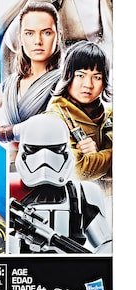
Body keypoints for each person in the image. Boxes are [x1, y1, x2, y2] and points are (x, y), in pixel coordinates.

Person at [10, 114, 111, 254]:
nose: (44, 157)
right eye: (33, 149)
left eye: (55, 149)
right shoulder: (10, 189)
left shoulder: (83, 193)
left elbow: (107, 244)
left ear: (65, 150)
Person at [0, 2, 61, 147]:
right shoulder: (11, 83)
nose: (38, 41)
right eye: (29, 33)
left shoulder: (67, 81)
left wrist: (3, 133)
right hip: (9, 159)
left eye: (46, 33)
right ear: (20, 38)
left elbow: (59, 126)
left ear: (58, 36)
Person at [47, 41, 112, 192]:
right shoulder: (54, 117)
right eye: (80, 75)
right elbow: (78, 170)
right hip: (75, 198)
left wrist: (96, 156)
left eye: (97, 77)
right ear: (68, 76)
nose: (88, 84)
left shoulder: (109, 114)